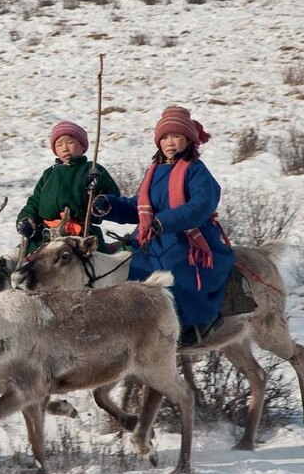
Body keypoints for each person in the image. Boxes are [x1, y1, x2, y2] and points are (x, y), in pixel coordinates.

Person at [92, 106, 235, 347]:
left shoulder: (195, 170)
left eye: (176, 136)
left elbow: (201, 205)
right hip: (152, 238)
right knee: (131, 272)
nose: (170, 142)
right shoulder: (155, 171)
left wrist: (163, 223)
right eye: (165, 137)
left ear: (189, 140)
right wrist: (109, 205)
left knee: (174, 268)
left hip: (187, 239)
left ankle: (190, 325)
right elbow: (140, 206)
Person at [16, 120, 121, 256]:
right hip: (46, 237)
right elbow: (35, 201)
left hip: (80, 237)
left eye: (70, 142)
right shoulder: (49, 174)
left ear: (82, 146)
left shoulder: (92, 170)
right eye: (59, 144)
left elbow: (113, 196)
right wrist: (26, 219)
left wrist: (101, 200)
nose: (65, 148)